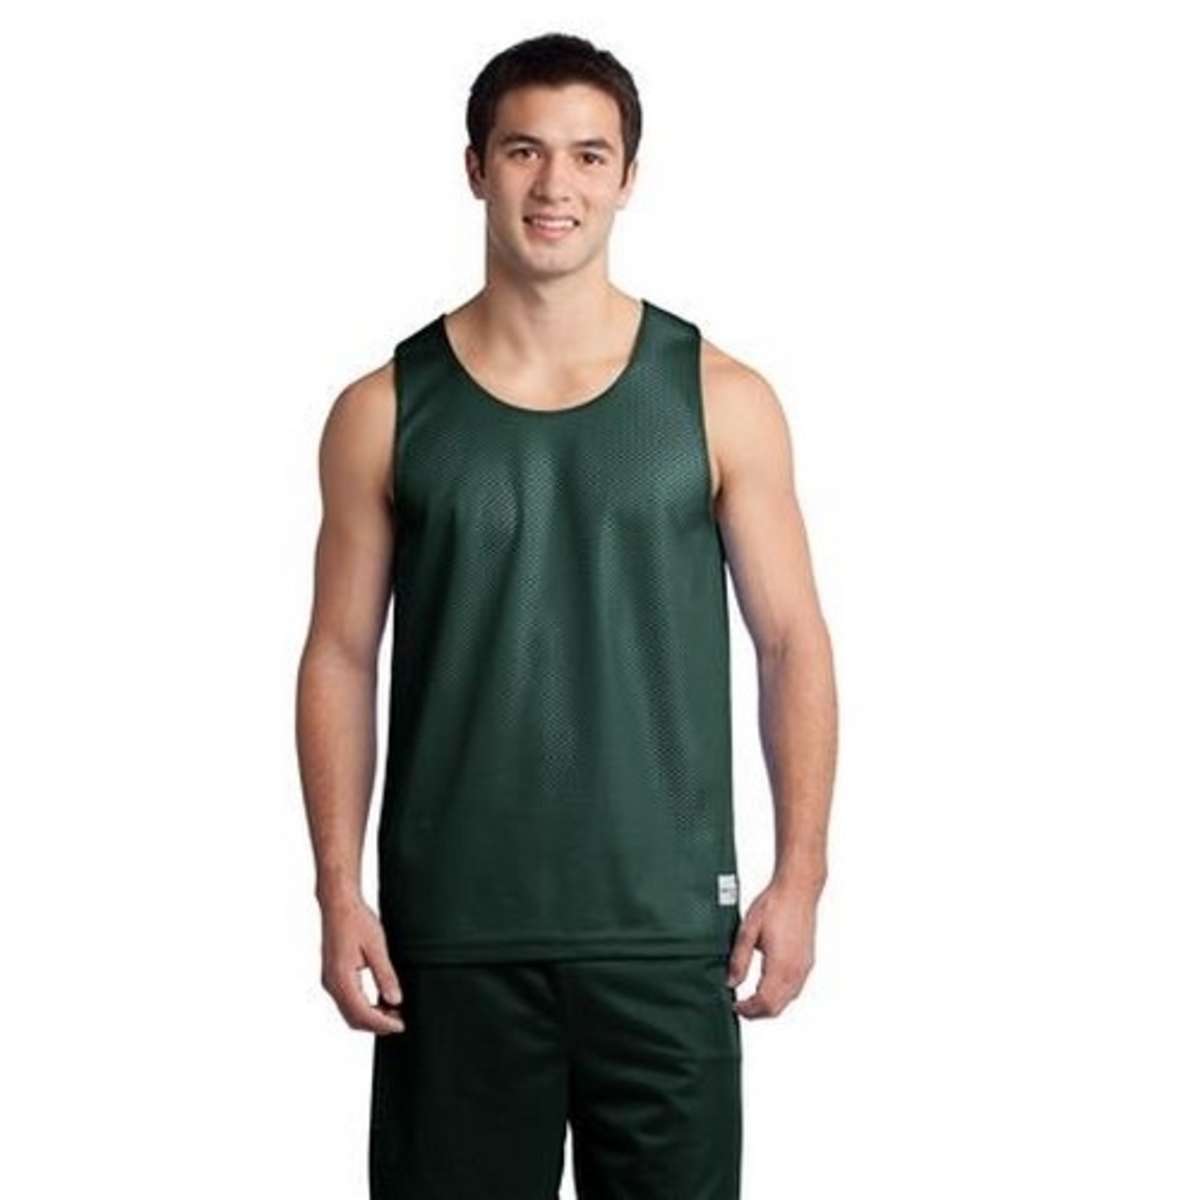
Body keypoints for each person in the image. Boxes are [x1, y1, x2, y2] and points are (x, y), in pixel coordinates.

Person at [296, 31, 837, 1199]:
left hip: (665, 933)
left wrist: (801, 876)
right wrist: (337, 889)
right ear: (476, 168)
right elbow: (339, 655)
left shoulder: (723, 399)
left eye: (590, 155)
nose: (557, 184)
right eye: (524, 150)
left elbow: (792, 643)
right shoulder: (382, 410)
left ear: (628, 177)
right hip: (453, 938)